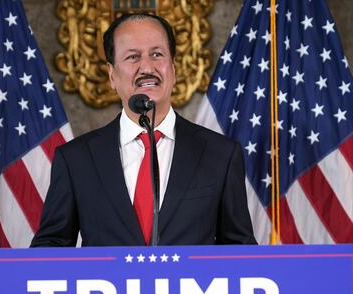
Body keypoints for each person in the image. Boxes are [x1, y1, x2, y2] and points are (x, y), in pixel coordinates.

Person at [31, 13, 256, 247]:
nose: (147, 67)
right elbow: (50, 247)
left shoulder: (220, 155)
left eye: (157, 54)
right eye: (133, 57)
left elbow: (240, 251)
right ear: (111, 75)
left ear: (173, 68)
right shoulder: (75, 159)